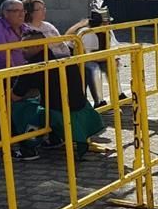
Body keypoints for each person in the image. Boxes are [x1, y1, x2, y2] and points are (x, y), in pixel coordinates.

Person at [10, 32, 104, 161]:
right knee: (46, 100)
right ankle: (54, 139)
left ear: (39, 46)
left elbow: (15, 96)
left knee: (21, 107)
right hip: (80, 107)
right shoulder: (65, 57)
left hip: (57, 112)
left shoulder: (32, 66)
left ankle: (28, 149)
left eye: (26, 47)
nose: (22, 51)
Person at [65, 0, 126, 108]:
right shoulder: (86, 33)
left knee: (112, 65)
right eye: (104, 22)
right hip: (80, 59)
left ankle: (119, 94)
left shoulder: (107, 30)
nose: (108, 25)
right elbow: (87, 56)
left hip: (101, 56)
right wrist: (108, 57)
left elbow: (113, 45)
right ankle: (99, 101)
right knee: (94, 69)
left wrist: (114, 58)